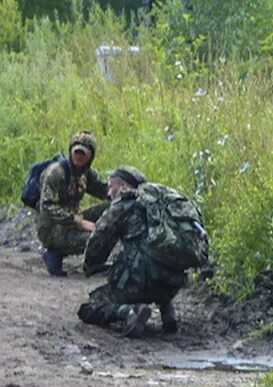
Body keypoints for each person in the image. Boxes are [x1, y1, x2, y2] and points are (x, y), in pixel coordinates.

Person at [77, 167, 197, 338]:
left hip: (139, 284)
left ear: (124, 185)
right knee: (156, 259)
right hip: (173, 283)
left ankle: (130, 311)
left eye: (111, 187)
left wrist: (90, 265)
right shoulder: (162, 203)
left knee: (90, 307)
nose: (109, 193)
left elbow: (98, 244)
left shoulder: (124, 204)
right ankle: (168, 312)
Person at [36, 131, 109, 276]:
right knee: (97, 239)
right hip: (52, 229)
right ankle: (55, 252)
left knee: (111, 207)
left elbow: (105, 191)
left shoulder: (86, 173)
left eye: (83, 153)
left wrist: (126, 190)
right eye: (76, 152)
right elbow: (47, 207)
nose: (79, 156)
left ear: (91, 156)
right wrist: (79, 222)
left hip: (72, 221)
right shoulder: (55, 173)